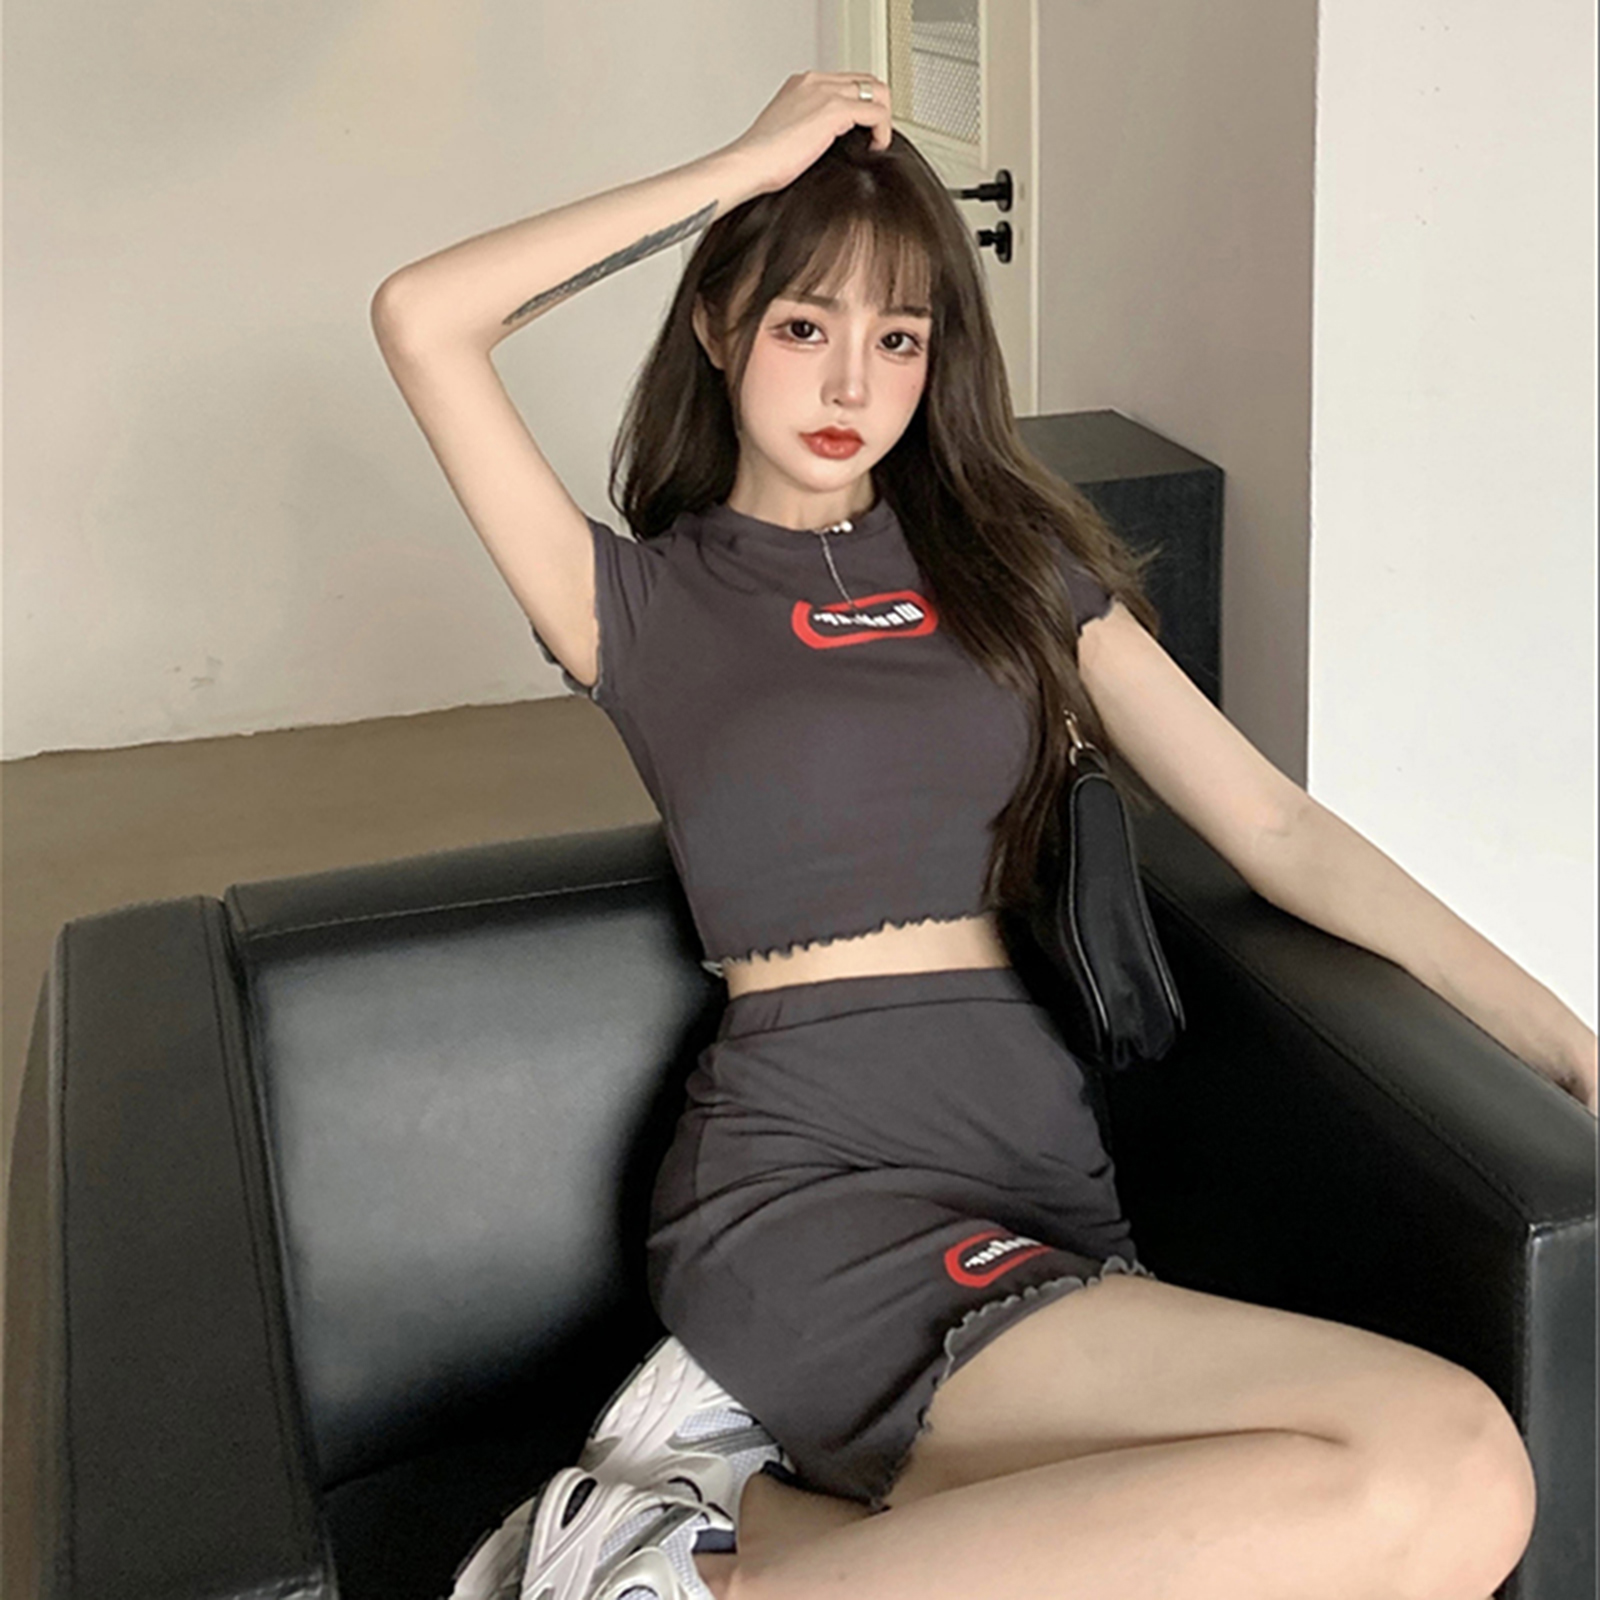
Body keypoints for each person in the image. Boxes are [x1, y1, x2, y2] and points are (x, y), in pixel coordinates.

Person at [372, 69, 1590, 1600]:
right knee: (1452, 1462)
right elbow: (423, 317)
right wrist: (743, 169)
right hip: (808, 1191)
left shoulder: (1009, 566)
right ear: (719, 326)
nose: (851, 379)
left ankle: (725, 1539)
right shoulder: (637, 602)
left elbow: (1277, 825)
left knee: (1393, 1501)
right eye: (803, 324)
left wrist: (1566, 1046)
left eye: (900, 338)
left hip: (1036, 1178)